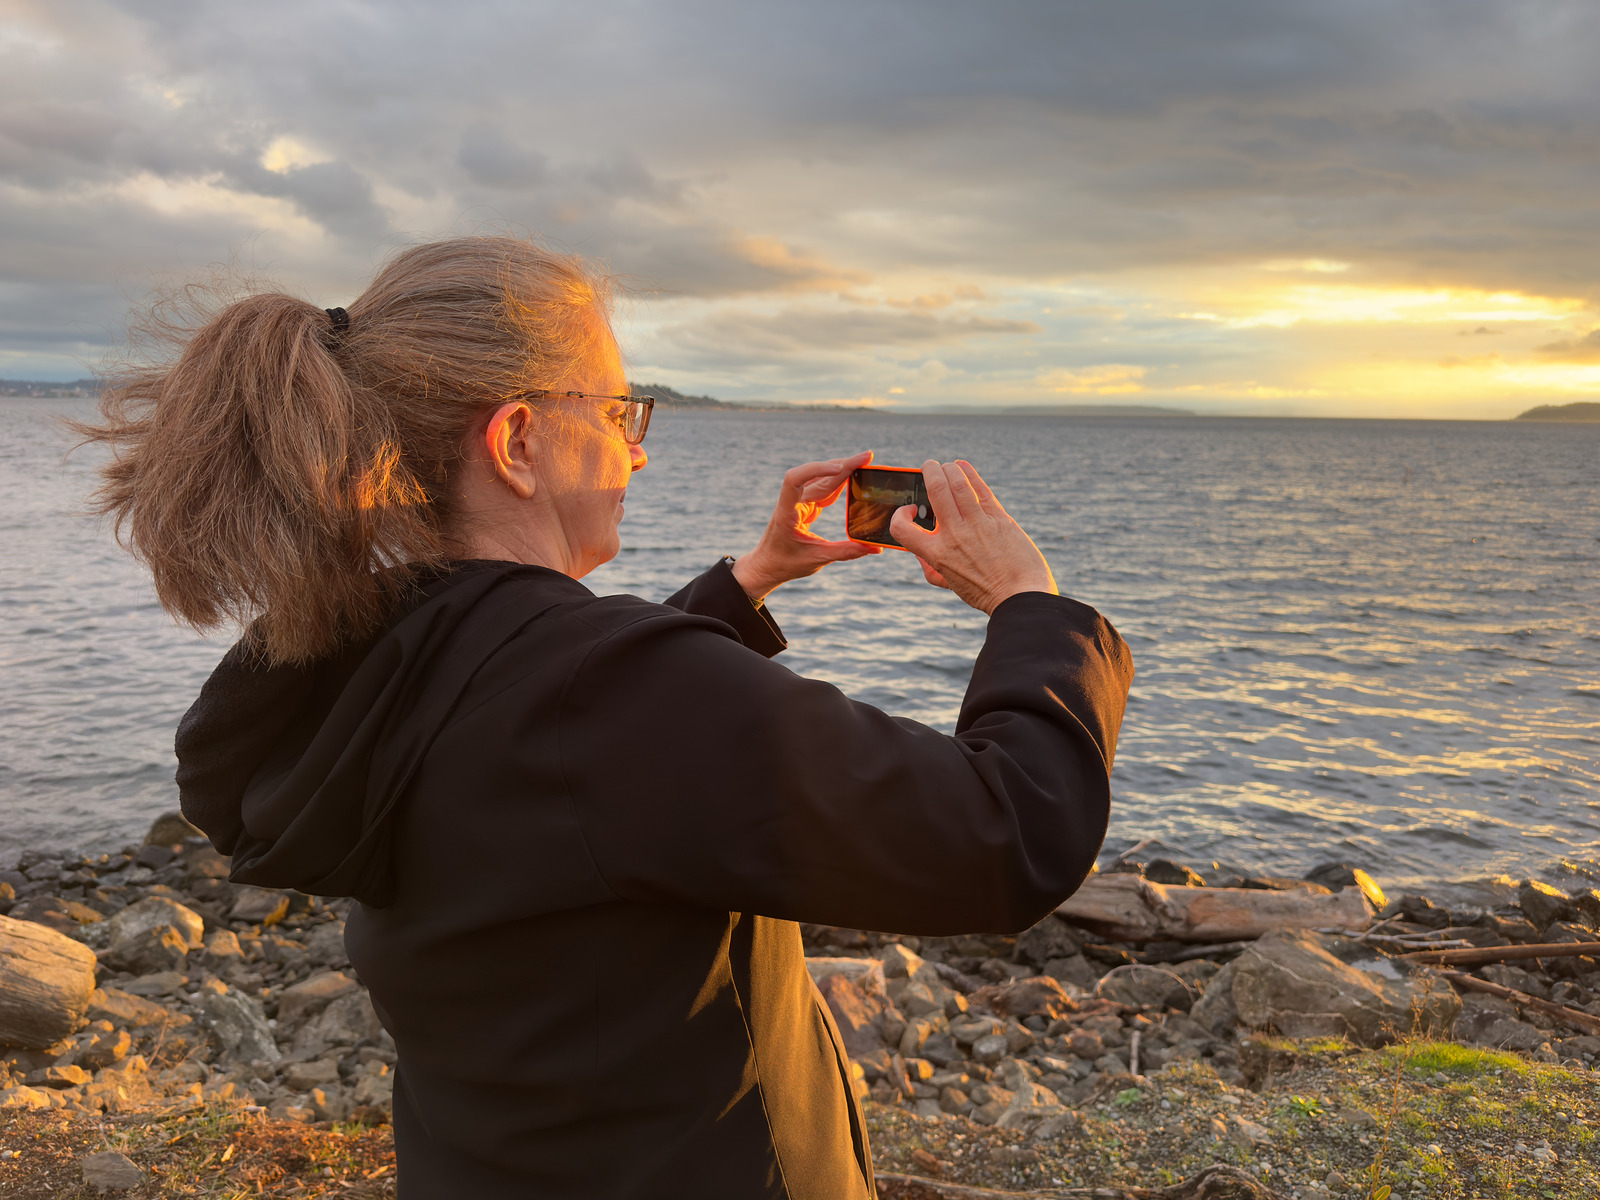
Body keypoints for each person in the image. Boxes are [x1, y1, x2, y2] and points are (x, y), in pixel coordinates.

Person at [83, 236, 1133, 1199]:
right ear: (519, 440)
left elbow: (566, 742)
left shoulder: (366, 659)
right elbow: (1005, 836)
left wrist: (748, 581)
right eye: (621, 415)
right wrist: (1031, 607)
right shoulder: (602, 693)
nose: (638, 454)